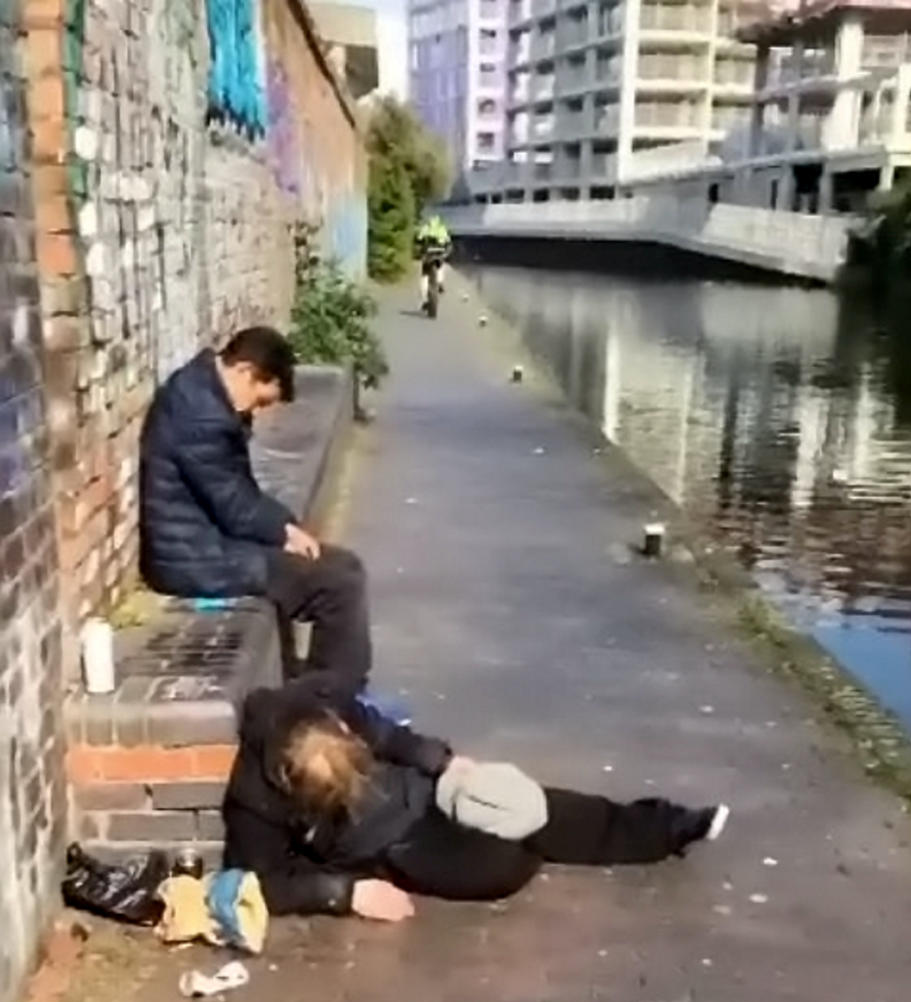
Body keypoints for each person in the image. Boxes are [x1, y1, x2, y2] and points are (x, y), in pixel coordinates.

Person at [222, 671, 730, 922]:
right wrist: (343, 894)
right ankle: (528, 844)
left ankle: (669, 826)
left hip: (424, 794)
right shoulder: (253, 799)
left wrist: (440, 760)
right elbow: (258, 881)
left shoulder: (320, 702)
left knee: (540, 809)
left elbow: (385, 733)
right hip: (387, 850)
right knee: (503, 867)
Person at [139, 327, 371, 694]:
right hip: (193, 559)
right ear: (245, 371)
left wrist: (286, 528)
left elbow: (234, 494)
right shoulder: (202, 417)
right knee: (338, 583)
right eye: (260, 401)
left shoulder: (202, 393)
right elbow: (235, 507)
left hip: (209, 542)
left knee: (344, 566)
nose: (257, 412)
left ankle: (321, 686)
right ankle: (331, 700)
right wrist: (284, 531)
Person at [414, 214, 452, 309]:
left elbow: (418, 240)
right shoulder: (441, 228)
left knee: (424, 277)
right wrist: (446, 251)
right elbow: (448, 242)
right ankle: (440, 282)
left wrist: (418, 251)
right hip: (439, 254)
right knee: (441, 267)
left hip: (428, 255)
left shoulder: (426, 228)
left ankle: (424, 299)